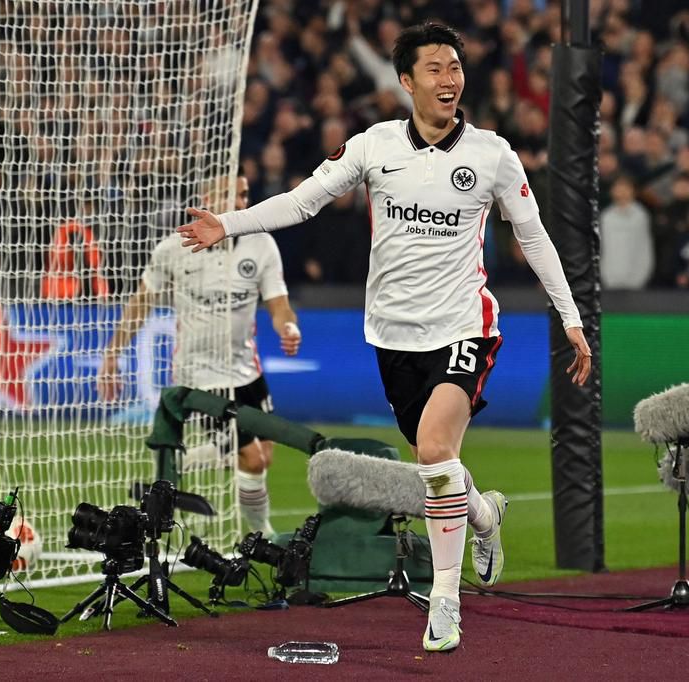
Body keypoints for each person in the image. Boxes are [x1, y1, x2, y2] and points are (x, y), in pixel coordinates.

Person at [177, 22, 591, 652]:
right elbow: (302, 201)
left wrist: (571, 318)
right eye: (435, 69)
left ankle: (446, 599)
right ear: (406, 81)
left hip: (463, 325)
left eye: (455, 67)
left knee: (432, 452)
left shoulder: (492, 154)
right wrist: (227, 224)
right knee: (442, 467)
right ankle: (484, 515)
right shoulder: (373, 147)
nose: (450, 79)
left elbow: (533, 237)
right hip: (393, 335)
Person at [98, 175, 301, 538]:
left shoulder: (261, 244)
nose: (243, 200)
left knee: (264, 456)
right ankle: (261, 537)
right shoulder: (174, 248)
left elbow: (278, 304)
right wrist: (113, 354)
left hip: (246, 372)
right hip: (200, 377)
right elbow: (141, 303)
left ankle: (179, 460)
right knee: (250, 457)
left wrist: (288, 328)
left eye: (245, 194)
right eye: (235, 193)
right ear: (209, 197)